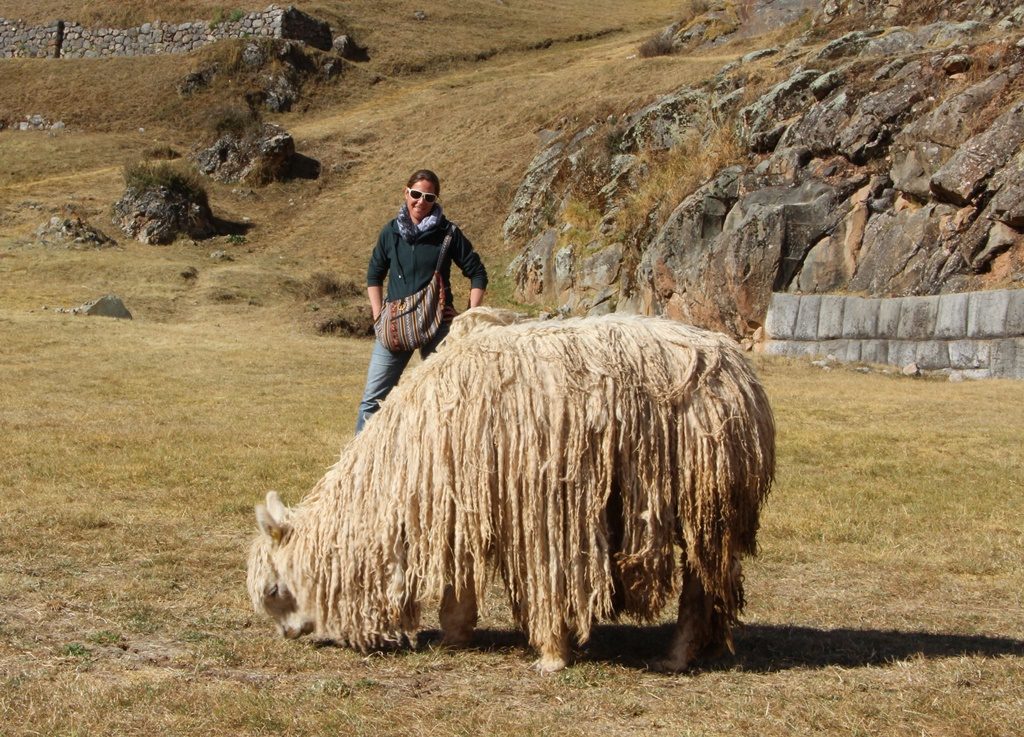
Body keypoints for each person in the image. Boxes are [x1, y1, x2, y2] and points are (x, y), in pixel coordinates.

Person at [355, 169, 488, 433]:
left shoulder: (448, 234)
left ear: (435, 200)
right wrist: (377, 314)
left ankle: (438, 461)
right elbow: (374, 275)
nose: (421, 202)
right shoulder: (390, 232)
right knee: (372, 401)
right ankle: (359, 467)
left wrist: (470, 314)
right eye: (416, 194)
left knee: (445, 399)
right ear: (406, 193)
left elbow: (477, 273)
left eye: (429, 197)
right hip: (394, 328)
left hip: (438, 327)